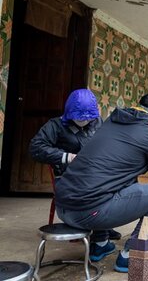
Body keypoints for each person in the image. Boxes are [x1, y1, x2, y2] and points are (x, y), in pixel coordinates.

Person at [53, 93, 148, 273]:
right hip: (87, 214)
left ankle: (100, 244)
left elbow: (135, 142)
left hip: (63, 207)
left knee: (118, 180)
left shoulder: (115, 119)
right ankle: (132, 255)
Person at [29, 88, 122, 241]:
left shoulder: (96, 121)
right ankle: (99, 235)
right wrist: (67, 157)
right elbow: (36, 148)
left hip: (95, 172)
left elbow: (108, 140)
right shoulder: (56, 126)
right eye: (80, 118)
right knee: (99, 189)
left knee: (124, 182)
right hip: (69, 177)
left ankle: (105, 225)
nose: (84, 121)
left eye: (88, 119)